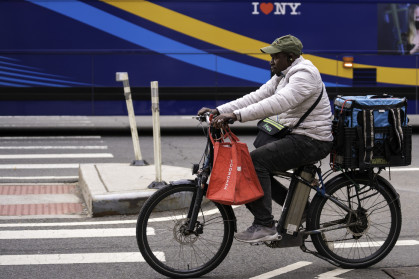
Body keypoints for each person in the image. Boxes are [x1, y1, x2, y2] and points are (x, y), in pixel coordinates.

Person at [198, 34, 333, 243]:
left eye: (275, 57)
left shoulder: (304, 74)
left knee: (255, 162)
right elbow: (257, 96)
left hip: (312, 139)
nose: (271, 61)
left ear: (290, 57)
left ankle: (265, 224)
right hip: (298, 134)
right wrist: (219, 110)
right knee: (254, 166)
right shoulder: (283, 74)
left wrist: (236, 116)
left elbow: (279, 102)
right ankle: (304, 212)